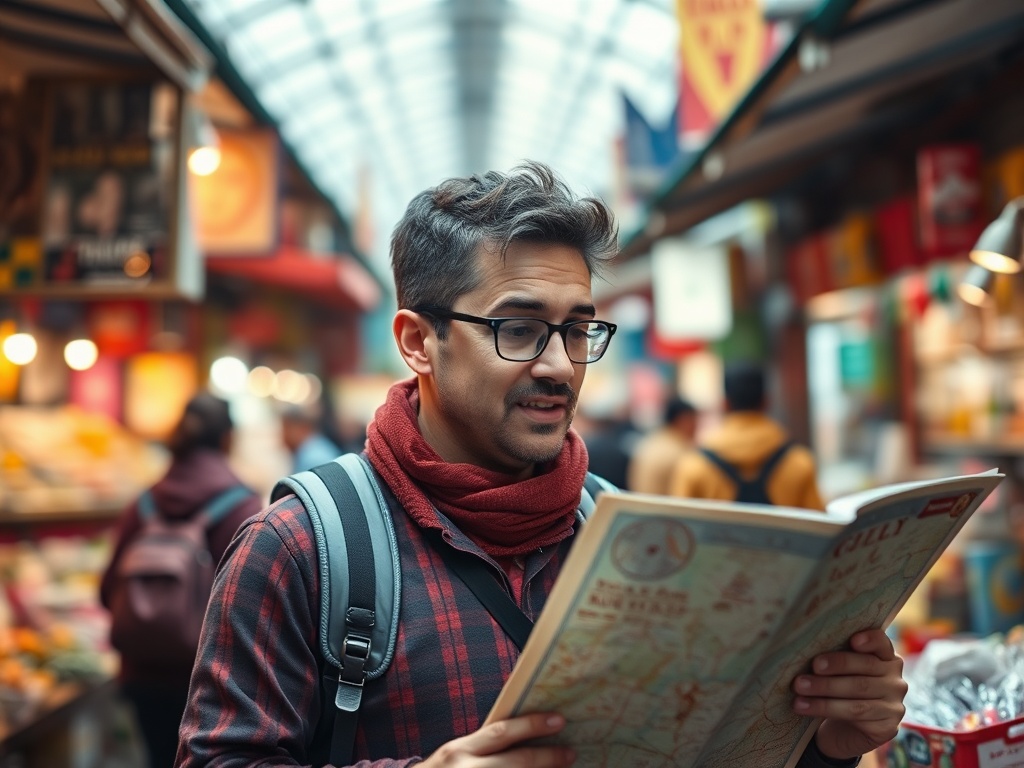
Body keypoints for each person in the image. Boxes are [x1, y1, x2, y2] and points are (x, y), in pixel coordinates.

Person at [176, 162, 905, 768]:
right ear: (417, 341)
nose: (560, 365)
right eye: (518, 329)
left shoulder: (631, 541)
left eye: (580, 328)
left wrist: (823, 742)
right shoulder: (299, 549)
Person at [100, 393, 261, 768]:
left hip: (141, 672)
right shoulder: (243, 507)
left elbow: (109, 589)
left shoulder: (144, 503)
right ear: (228, 439)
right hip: (209, 681)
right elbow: (251, 606)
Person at [670, 361, 826, 510]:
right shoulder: (799, 462)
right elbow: (820, 528)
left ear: (724, 404)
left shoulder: (695, 466)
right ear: (766, 402)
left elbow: (681, 528)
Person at [627, 396, 698, 494]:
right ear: (683, 420)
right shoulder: (679, 452)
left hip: (640, 505)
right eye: (694, 421)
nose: (697, 427)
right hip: (662, 507)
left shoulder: (651, 441)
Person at [280, 404, 344, 472]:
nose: (283, 435)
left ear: (302, 427)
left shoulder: (312, 458)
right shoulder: (317, 446)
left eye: (286, 428)